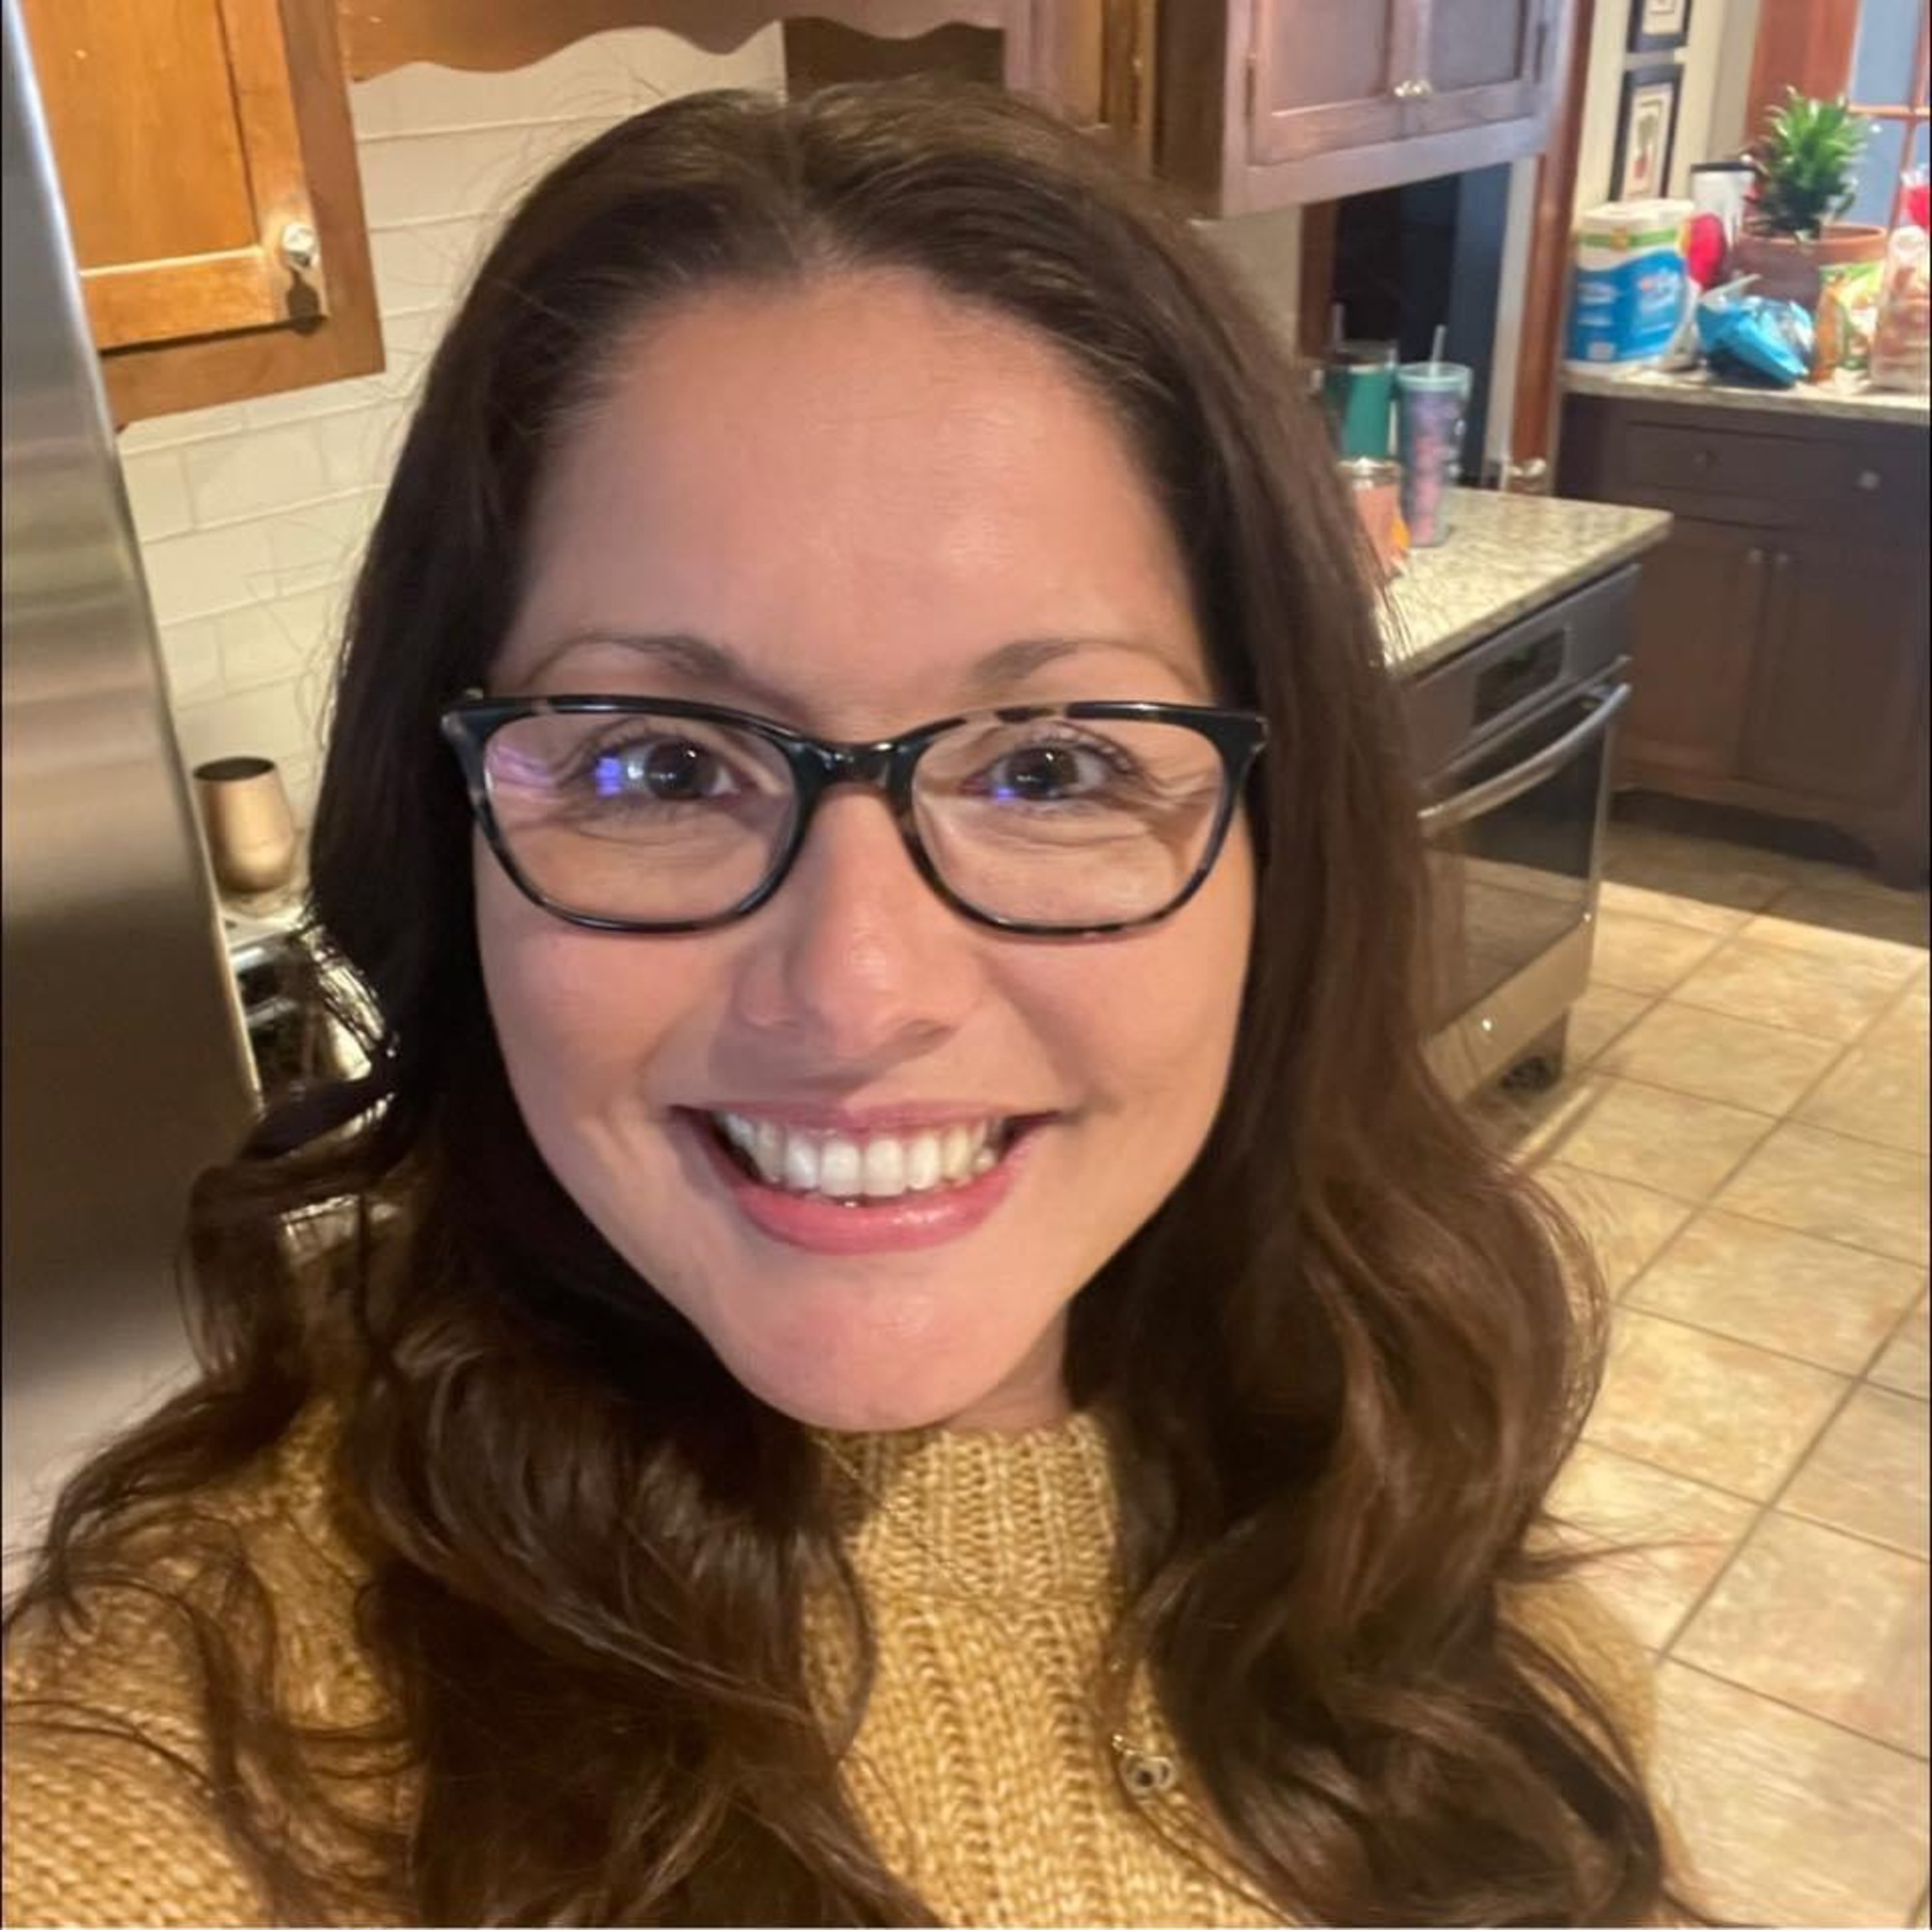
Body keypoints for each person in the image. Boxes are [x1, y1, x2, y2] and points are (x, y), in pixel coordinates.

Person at [3, 78, 1708, 1926]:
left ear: (1281, 846)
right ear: (447, 830)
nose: (858, 989)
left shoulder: (1408, 1494)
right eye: (659, 764)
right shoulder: (185, 1756)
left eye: (1051, 766)